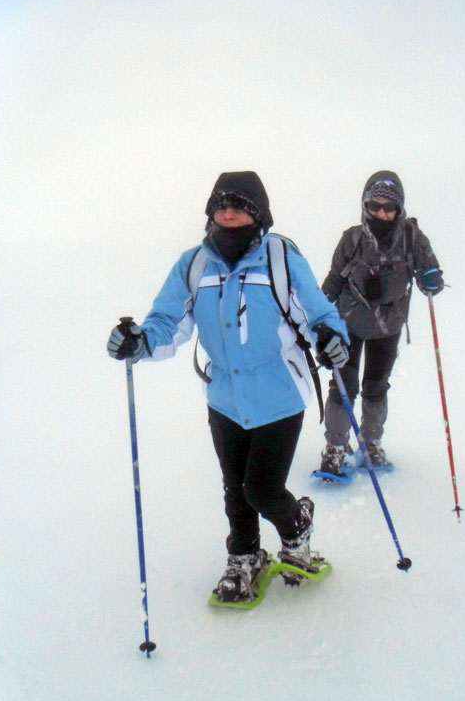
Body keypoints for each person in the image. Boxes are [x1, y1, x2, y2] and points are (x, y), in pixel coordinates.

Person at [107, 171, 349, 602]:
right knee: (234, 487)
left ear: (258, 214)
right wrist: (139, 341)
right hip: (223, 397)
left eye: (239, 206)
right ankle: (244, 555)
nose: (228, 212)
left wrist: (332, 339)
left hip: (280, 394)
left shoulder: (281, 259)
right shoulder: (195, 264)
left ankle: (297, 529)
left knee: (261, 489)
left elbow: (319, 313)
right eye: (221, 205)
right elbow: (168, 322)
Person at [318, 170, 444, 477]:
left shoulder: (413, 238)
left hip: (388, 327)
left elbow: (431, 274)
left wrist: (431, 280)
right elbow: (335, 278)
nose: (381, 213)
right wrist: (320, 313)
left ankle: (371, 443)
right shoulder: (352, 238)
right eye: (375, 206)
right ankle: (335, 447)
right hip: (348, 324)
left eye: (388, 207)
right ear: (365, 205)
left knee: (375, 386)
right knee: (343, 387)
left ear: (399, 209)